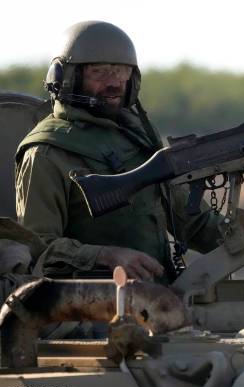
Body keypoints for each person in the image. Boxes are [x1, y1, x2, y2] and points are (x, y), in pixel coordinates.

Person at [15, 21, 222, 284]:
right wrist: (106, 256)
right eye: (98, 71)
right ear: (67, 78)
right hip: (89, 309)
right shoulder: (46, 151)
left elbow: (194, 224)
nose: (113, 82)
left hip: (159, 299)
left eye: (121, 71)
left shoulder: (137, 138)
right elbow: (37, 249)